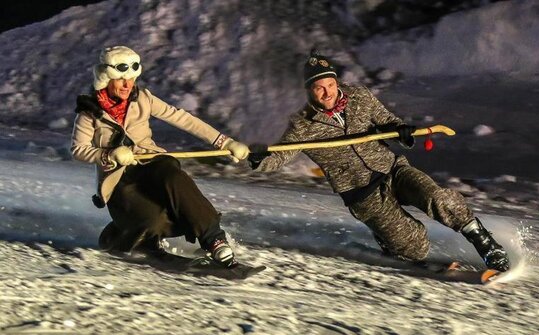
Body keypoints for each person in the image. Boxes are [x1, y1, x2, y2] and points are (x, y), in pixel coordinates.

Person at [247, 49, 510, 272]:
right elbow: (278, 156)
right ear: (309, 91)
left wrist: (403, 131)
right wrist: (257, 158)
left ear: (336, 82)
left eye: (330, 85)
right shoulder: (302, 125)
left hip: (392, 169)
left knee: (437, 197)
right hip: (363, 194)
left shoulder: (359, 96)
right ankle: (392, 243)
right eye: (319, 88)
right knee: (415, 246)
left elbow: (389, 122)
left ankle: (487, 246)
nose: (327, 93)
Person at [71, 46, 248, 268]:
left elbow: (183, 119)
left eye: (132, 79)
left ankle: (214, 239)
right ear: (106, 77)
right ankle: (131, 238)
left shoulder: (144, 98)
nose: (127, 85)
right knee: (150, 221)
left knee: (173, 177)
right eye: (121, 79)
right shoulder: (89, 113)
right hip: (120, 181)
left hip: (151, 165)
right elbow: (79, 149)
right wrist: (109, 154)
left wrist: (225, 142)